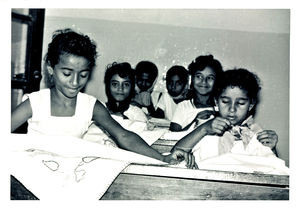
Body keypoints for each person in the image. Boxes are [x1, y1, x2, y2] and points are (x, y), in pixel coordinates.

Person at [11, 28, 195, 168]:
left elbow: (123, 135)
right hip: (33, 170)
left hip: (67, 171)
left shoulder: (89, 106)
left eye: (83, 74)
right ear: (51, 69)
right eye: (67, 73)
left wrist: (162, 158)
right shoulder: (35, 103)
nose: (75, 82)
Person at [172, 68, 279, 164]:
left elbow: (271, 169)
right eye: (225, 101)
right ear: (216, 102)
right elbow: (175, 153)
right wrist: (204, 129)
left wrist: (272, 149)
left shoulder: (255, 132)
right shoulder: (205, 126)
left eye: (241, 103)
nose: (232, 109)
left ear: (250, 105)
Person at [170, 55, 223, 131]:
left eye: (210, 78)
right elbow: (171, 136)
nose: (204, 81)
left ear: (217, 81)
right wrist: (195, 121)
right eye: (199, 76)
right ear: (192, 79)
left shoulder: (222, 106)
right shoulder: (183, 106)